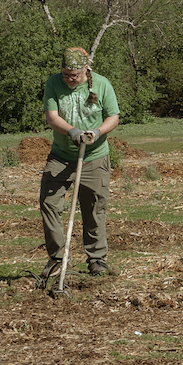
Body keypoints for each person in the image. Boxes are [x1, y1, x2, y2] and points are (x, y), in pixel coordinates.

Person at [40, 46, 121, 281]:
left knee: (94, 207)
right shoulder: (53, 84)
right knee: (49, 201)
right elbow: (52, 117)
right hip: (61, 155)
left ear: (86, 69)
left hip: (94, 157)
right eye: (65, 74)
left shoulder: (102, 84)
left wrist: (97, 132)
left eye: (73, 75)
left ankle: (97, 258)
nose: (69, 79)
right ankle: (57, 258)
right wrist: (71, 131)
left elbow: (113, 116)